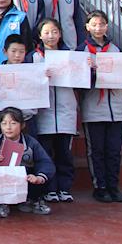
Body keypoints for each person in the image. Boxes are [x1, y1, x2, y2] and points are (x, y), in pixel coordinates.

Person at [83, 10, 122, 203]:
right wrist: (90, 71)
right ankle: (100, 187)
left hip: (116, 108)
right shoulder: (82, 50)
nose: (98, 28)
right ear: (87, 27)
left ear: (107, 26)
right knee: (97, 151)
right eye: (94, 24)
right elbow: (77, 81)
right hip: (93, 108)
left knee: (114, 150)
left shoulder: (115, 49)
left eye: (101, 24)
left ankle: (113, 186)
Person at [31, 18, 78, 203]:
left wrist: (87, 68)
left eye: (54, 32)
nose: (50, 36)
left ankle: (64, 188)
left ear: (60, 34)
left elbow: (83, 80)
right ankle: (49, 189)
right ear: (40, 35)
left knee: (65, 153)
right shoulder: (34, 57)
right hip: (44, 113)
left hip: (66, 111)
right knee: (46, 153)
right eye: (46, 32)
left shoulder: (71, 56)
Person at [0, 107, 55, 218]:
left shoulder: (31, 143)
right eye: (4, 123)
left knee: (39, 178)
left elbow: (45, 162)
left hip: (24, 177)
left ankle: (32, 200)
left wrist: (39, 177)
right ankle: (1, 203)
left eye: (13, 123)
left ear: (22, 125)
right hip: (3, 179)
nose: (8, 127)